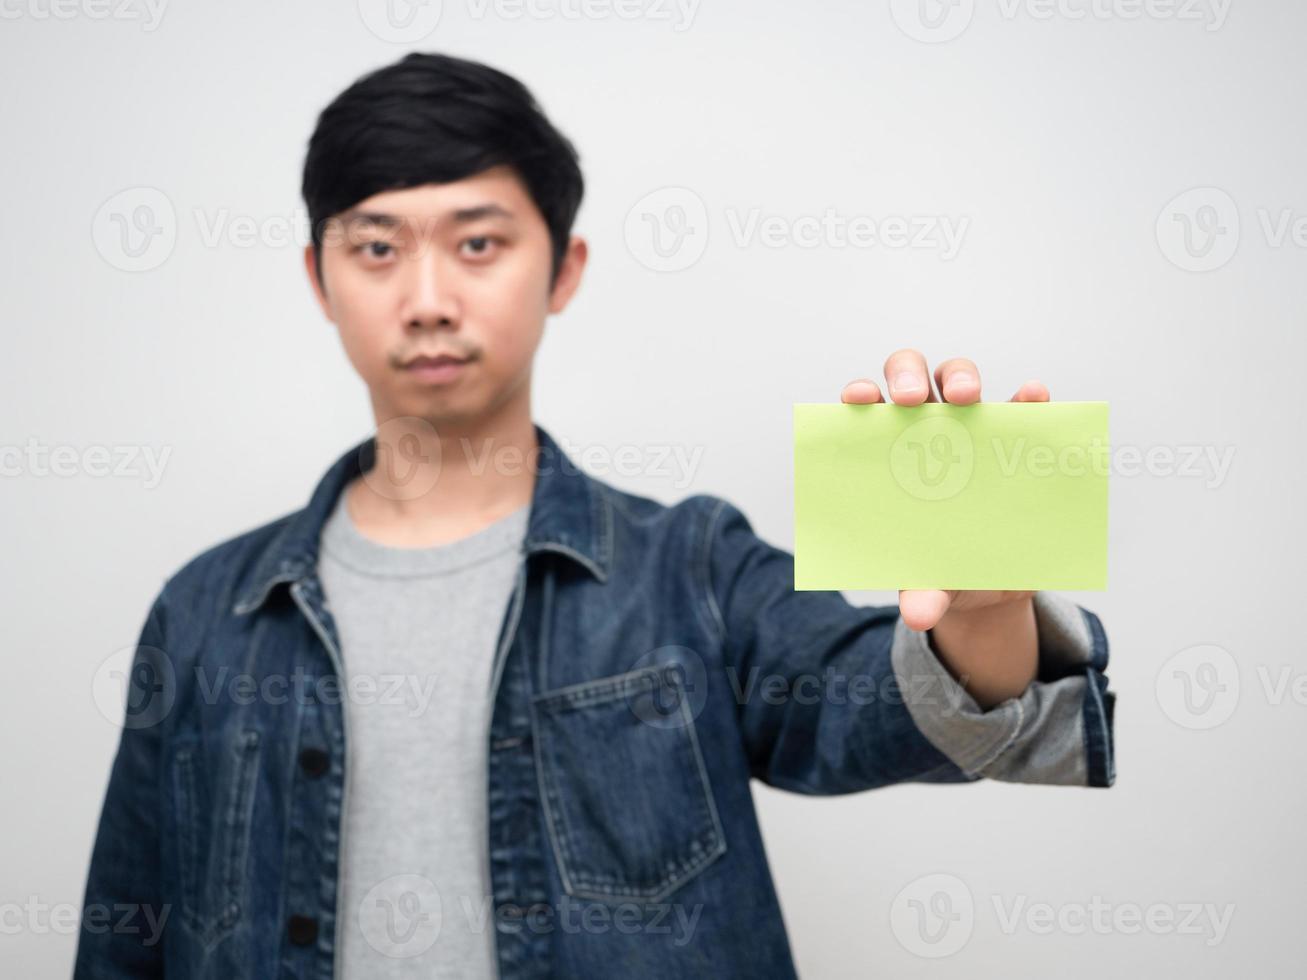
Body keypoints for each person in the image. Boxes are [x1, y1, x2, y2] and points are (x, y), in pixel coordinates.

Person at [75, 51, 1115, 979]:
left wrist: (979, 602)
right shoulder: (206, 608)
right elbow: (126, 936)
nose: (428, 296)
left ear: (562, 268)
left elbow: (876, 708)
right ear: (319, 277)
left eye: (478, 243)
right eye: (377, 248)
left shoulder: (688, 567)